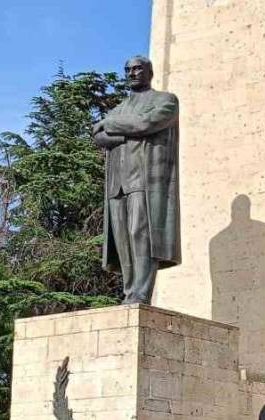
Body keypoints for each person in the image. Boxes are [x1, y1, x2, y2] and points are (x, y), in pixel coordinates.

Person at [91, 54, 180, 304]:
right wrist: (122, 132)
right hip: (117, 181)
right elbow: (99, 138)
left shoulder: (166, 100)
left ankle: (142, 292)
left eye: (138, 69)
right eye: (128, 70)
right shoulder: (119, 109)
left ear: (150, 72)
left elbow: (145, 123)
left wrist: (110, 125)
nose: (132, 73)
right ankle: (130, 291)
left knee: (140, 232)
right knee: (122, 238)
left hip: (143, 178)